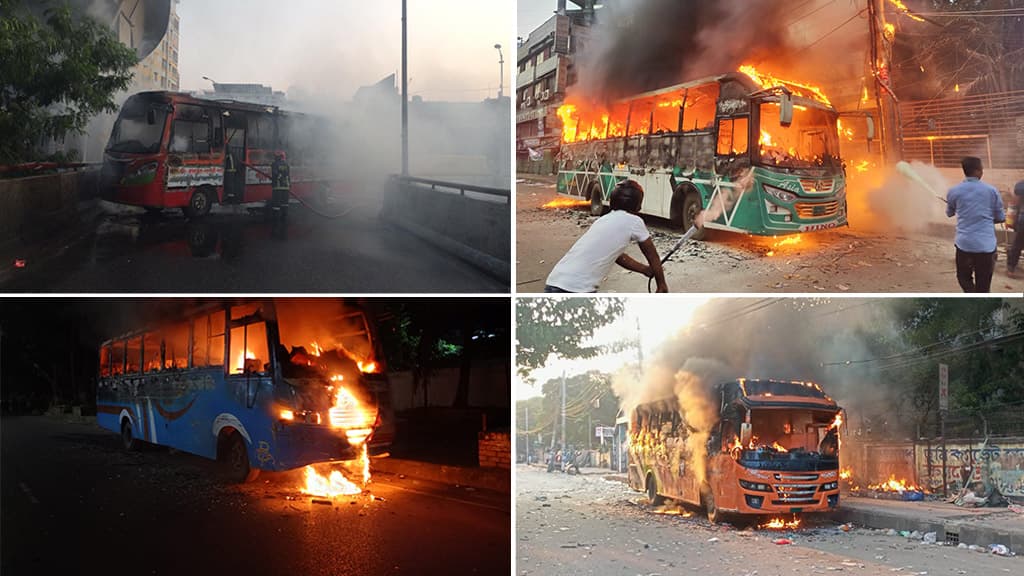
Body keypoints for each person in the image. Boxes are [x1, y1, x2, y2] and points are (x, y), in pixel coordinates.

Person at [545, 179, 669, 293]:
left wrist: (644, 269)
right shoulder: (634, 222)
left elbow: (617, 256)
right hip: (577, 289)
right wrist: (661, 284)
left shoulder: (603, 220)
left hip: (555, 281)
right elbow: (652, 254)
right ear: (638, 204)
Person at [946, 156, 1005, 293]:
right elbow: (1000, 217)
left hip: (964, 245)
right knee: (984, 285)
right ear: (978, 171)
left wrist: (958, 208)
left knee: (963, 278)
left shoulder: (954, 191)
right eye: (982, 169)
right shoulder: (991, 191)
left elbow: (949, 213)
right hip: (986, 247)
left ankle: (971, 295)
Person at [1007, 180, 1024, 278]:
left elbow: (1014, 202)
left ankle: (1011, 267)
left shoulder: (1020, 186)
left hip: (1022, 221)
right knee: (1018, 244)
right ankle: (1011, 266)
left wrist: (1010, 220)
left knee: (1017, 244)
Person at [270, 151, 291, 216]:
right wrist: (289, 184)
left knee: (276, 205)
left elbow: (275, 173)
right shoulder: (287, 164)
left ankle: (275, 221)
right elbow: (288, 175)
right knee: (285, 204)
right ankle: (284, 219)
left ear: (277, 157)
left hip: (277, 187)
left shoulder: (274, 164)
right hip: (286, 187)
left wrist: (278, 177)